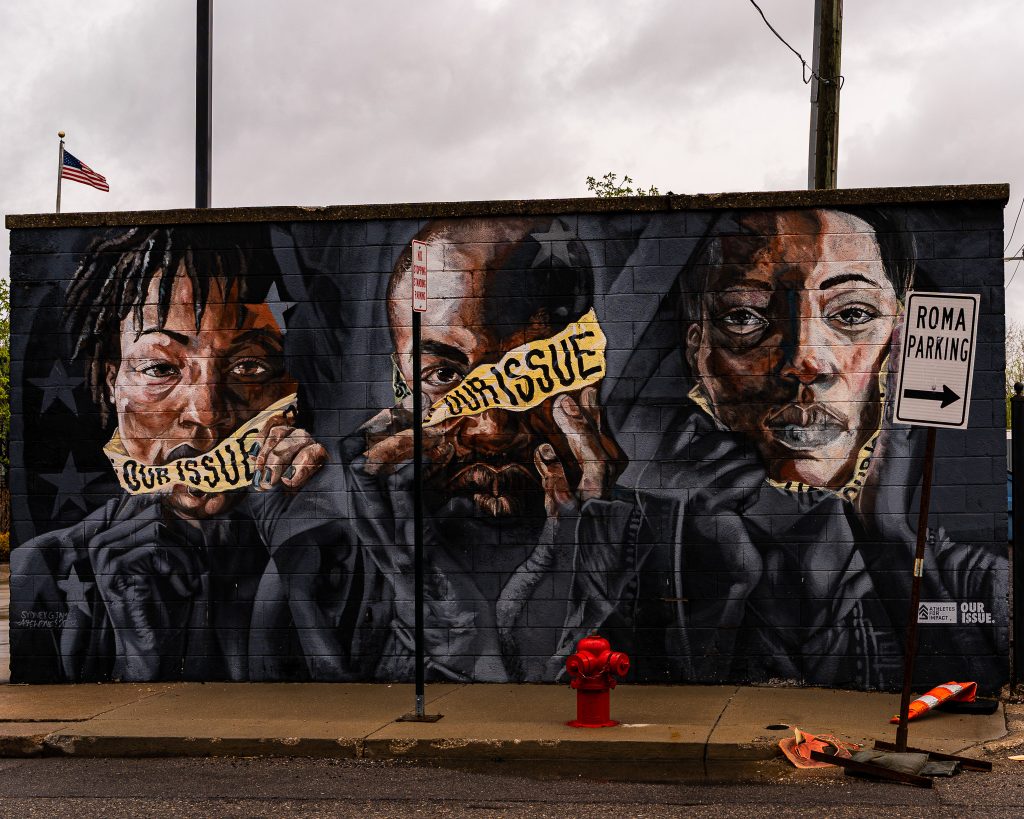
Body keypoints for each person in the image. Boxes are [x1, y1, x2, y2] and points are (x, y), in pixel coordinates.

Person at [561, 208, 1005, 689]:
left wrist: (889, 537)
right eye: (745, 317)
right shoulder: (631, 547)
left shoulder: (974, 581)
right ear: (699, 353)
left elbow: (972, 698)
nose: (804, 360)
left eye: (853, 314)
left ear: (897, 348)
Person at [10, 226, 327, 682]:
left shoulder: (331, 545)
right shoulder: (44, 571)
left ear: (289, 388)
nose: (206, 413)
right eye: (159, 368)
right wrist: (142, 651)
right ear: (109, 381)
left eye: (249, 367)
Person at [328, 216, 626, 682]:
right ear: (400, 390)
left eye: (528, 376)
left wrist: (585, 567)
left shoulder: (703, 560)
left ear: (587, 379)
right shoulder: (323, 581)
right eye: (442, 375)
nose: (491, 428)